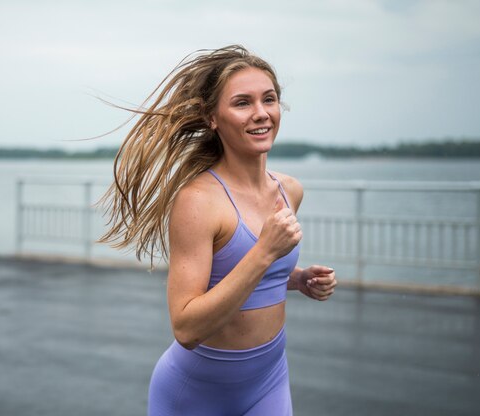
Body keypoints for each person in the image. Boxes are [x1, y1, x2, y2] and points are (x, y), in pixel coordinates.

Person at [99, 45, 337, 416]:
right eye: (242, 103)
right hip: (195, 395)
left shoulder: (290, 190)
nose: (261, 113)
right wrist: (264, 253)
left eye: (269, 99)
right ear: (213, 117)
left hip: (269, 381)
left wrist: (295, 277)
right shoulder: (197, 202)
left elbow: (236, 273)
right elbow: (187, 327)